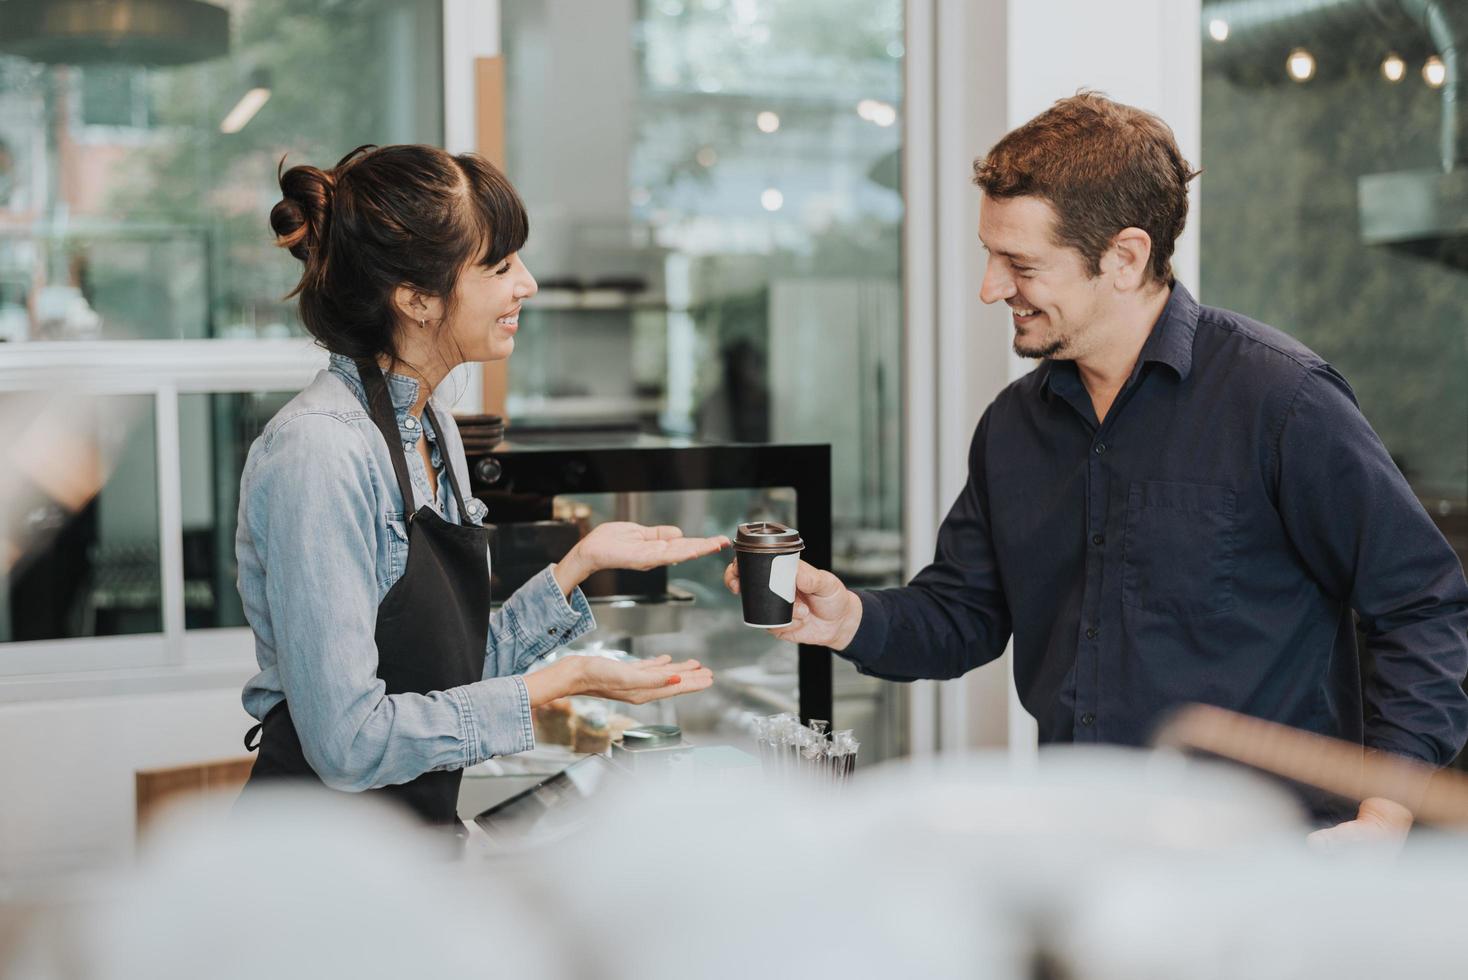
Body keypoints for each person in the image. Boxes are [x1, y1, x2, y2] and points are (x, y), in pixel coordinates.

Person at [726, 93, 1468, 843]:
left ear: (1125, 256)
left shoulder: (1282, 401)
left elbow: (1424, 606)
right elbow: (964, 615)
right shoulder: (1014, 426)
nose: (991, 287)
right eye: (989, 255)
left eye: (1020, 263)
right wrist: (850, 618)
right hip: (1080, 843)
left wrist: (1385, 815)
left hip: (1269, 858)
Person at [236, 144, 727, 827]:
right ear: (415, 298)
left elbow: (449, 671)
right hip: (317, 864)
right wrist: (564, 682)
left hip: (409, 845)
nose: (526, 284)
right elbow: (349, 745)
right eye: (498, 267)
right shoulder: (320, 452)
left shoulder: (431, 424)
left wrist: (579, 565)